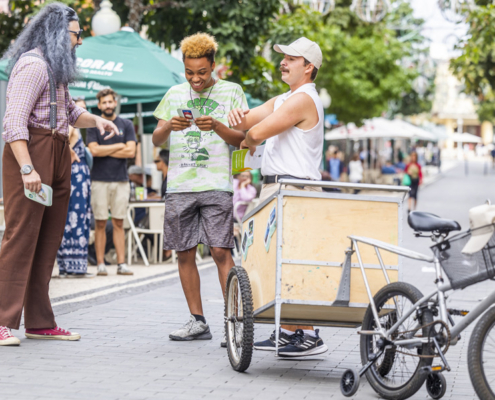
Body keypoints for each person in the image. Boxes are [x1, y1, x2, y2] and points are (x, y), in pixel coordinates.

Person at [0, 3, 119, 346]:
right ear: (57, 32)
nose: (80, 40)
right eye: (76, 33)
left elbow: (68, 112)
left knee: (48, 240)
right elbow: (13, 123)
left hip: (56, 151)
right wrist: (26, 167)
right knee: (21, 238)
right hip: (33, 152)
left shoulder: (56, 70)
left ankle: (38, 321)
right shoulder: (34, 66)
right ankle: (3, 319)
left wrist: (96, 119)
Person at [228, 37, 328, 357]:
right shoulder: (284, 98)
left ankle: (308, 333)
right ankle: (289, 330)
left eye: (291, 58)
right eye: (283, 57)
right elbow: (247, 121)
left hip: (295, 189)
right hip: (278, 188)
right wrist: (231, 118)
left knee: (294, 261)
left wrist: (249, 136)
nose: (283, 62)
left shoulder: (303, 98)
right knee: (279, 261)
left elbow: (256, 132)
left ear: (308, 67)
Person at [152, 33, 247, 343]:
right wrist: (168, 126)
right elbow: (156, 139)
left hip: (216, 184)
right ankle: (198, 321)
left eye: (202, 72)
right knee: (184, 253)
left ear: (213, 66)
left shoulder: (232, 92)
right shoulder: (174, 94)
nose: (195, 78)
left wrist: (217, 126)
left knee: (221, 250)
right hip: (179, 186)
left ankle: (234, 322)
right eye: (190, 72)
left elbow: (243, 139)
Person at [87, 88, 137, 277]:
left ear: (115, 102)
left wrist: (104, 148)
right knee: (100, 222)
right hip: (99, 180)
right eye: (104, 102)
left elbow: (131, 152)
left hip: (121, 180)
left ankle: (121, 264)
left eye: (110, 101)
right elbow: (94, 151)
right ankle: (100, 264)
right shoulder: (94, 125)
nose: (108, 105)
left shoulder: (126, 124)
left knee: (118, 222)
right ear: (99, 105)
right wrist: (119, 146)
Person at [56, 99, 93, 278]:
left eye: (85, 109)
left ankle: (67, 265)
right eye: (80, 109)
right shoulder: (71, 127)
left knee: (71, 220)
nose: (83, 112)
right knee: (74, 220)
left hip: (76, 178)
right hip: (74, 180)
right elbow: (65, 136)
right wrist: (68, 150)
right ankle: (74, 265)